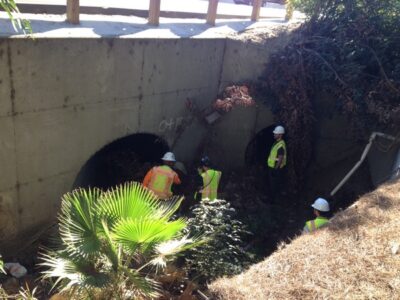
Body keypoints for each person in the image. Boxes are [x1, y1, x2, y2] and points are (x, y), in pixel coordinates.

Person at [267, 125, 287, 201]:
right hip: (273, 167)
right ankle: (273, 199)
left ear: (280, 135)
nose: (274, 134)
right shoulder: (277, 143)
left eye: (276, 133)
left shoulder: (280, 145)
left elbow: (280, 158)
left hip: (275, 168)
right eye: (274, 133)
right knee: (273, 184)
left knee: (274, 185)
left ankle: (273, 200)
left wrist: (276, 169)